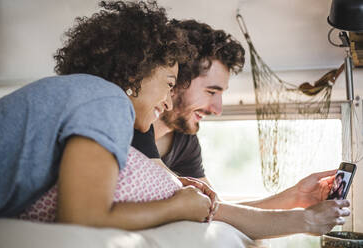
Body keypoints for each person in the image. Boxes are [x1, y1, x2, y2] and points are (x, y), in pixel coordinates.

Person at [0, 1, 214, 230]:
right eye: (169, 84)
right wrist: (178, 207)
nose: (168, 103)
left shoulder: (89, 96)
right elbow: (83, 218)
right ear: (135, 72)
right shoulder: (109, 101)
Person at [131, 19, 350, 239]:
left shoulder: (185, 141)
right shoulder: (132, 126)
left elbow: (219, 210)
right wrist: (305, 220)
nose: (218, 109)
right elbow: (215, 211)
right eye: (211, 92)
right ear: (175, 81)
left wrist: (293, 197)